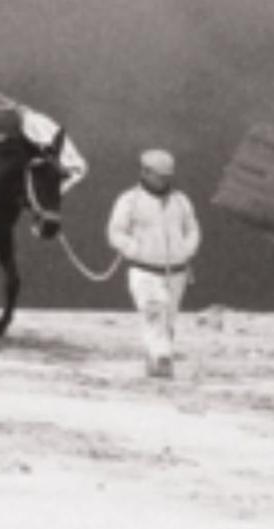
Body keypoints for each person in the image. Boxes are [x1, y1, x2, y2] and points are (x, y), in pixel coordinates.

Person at [106, 149, 202, 379]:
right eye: (160, 175)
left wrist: (186, 250)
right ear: (145, 173)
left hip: (176, 271)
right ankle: (163, 358)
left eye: (168, 176)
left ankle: (154, 361)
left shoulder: (181, 201)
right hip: (144, 270)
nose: (164, 180)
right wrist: (134, 250)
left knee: (168, 319)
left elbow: (192, 229)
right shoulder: (129, 200)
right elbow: (116, 232)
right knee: (154, 311)